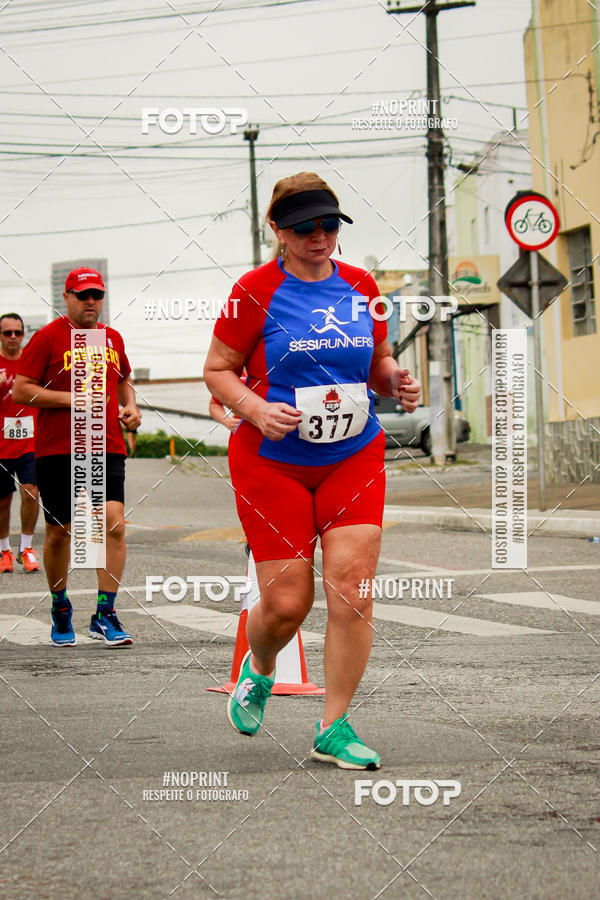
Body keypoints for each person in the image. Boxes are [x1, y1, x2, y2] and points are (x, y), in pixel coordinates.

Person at [204, 172, 421, 769]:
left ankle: (334, 726)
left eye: (329, 225)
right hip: (272, 461)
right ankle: (262, 664)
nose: (319, 237)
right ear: (277, 230)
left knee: (352, 588)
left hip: (352, 453)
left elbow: (376, 361)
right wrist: (252, 407)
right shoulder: (252, 291)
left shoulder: (361, 285)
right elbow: (219, 369)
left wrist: (395, 380)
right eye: (304, 229)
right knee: (286, 605)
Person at [13, 267, 141, 647]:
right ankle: (60, 603)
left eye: (97, 295)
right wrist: (73, 400)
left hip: (106, 445)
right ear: (66, 297)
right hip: (58, 449)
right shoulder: (48, 338)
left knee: (113, 525)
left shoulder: (112, 338)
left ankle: (105, 613)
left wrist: (130, 408)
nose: (91, 302)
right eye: (83, 295)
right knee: (60, 532)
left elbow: (124, 381)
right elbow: (22, 391)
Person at [0, 313, 40, 573]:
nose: (13, 337)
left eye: (18, 332)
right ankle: (4, 550)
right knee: (3, 501)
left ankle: (26, 548)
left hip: (30, 441)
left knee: (31, 493)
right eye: (7, 333)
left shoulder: (32, 361)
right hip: (1, 444)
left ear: (24, 334)